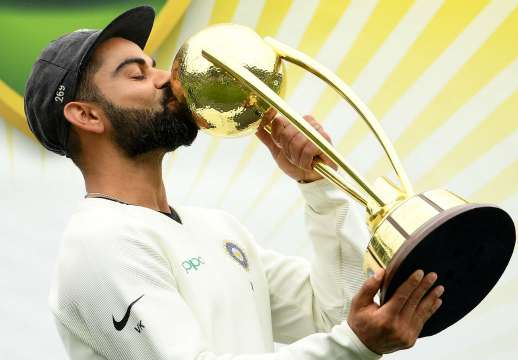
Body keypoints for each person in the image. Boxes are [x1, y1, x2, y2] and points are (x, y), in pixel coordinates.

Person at [24, 6, 443, 360]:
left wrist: (318, 188)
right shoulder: (100, 243)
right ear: (87, 116)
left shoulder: (217, 229)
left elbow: (332, 314)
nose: (166, 79)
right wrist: (351, 344)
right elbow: (345, 337)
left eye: (154, 65)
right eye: (136, 75)